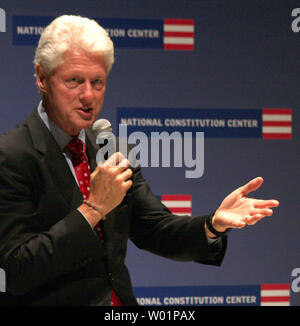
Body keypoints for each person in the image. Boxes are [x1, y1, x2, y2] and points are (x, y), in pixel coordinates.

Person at [0, 15, 279, 306]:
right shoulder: (10, 155)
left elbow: (156, 230)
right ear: (42, 78)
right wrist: (94, 209)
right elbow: (15, 270)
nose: (88, 96)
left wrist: (213, 225)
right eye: (74, 81)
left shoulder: (111, 149)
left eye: (98, 82)